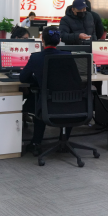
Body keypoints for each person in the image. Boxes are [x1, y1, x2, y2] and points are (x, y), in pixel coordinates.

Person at [20, 26, 72, 156]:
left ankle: (36, 143)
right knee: (57, 99)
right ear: (59, 40)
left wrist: (38, 80)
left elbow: (23, 78)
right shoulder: (68, 56)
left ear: (42, 40)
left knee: (39, 98)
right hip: (70, 105)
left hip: (47, 105)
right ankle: (64, 141)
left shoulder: (36, 57)